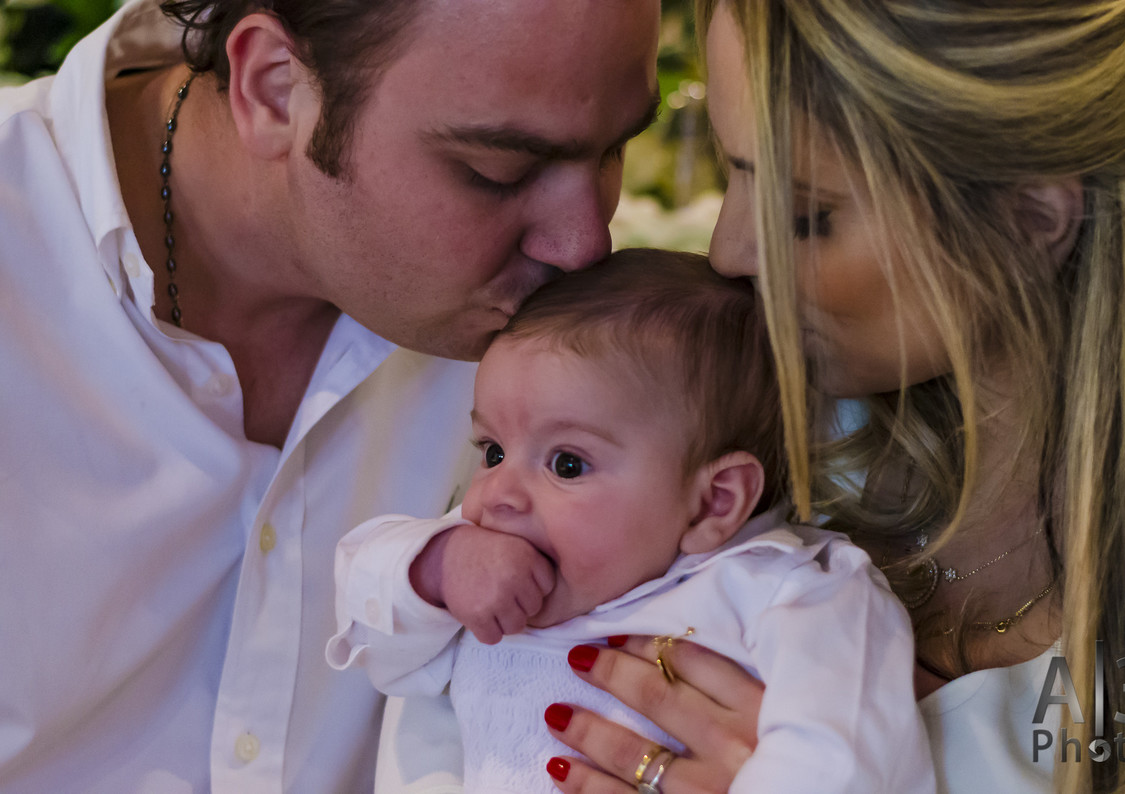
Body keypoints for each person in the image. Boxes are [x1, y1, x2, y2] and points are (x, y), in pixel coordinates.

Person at [530, 2, 1125, 793]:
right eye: (730, 170)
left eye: (805, 215)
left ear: (1030, 220)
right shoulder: (738, 453)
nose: (727, 250)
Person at [0, 0, 660, 789]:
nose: (585, 244)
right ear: (274, 87)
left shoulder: (612, 344)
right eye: (499, 173)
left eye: (616, 149)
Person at [327, 248, 934, 793]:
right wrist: (435, 569)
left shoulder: (795, 595)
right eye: (492, 451)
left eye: (567, 464)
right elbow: (376, 632)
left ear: (715, 502)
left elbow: (840, 760)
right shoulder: (485, 570)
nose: (499, 493)